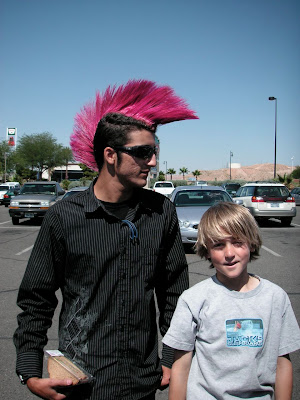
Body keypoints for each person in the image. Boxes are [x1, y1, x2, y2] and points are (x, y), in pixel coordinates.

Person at [13, 79, 198, 400]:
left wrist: (171, 356)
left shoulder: (160, 211)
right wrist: (29, 371)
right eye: (143, 152)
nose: (152, 161)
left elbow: (175, 293)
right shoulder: (65, 215)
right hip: (80, 383)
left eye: (154, 151)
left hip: (142, 381)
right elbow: (36, 298)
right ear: (110, 154)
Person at [162, 202, 300, 399]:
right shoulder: (193, 299)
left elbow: (283, 362)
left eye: (237, 242)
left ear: (251, 243)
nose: (229, 253)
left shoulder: (275, 298)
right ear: (207, 250)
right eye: (218, 245)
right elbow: (181, 365)